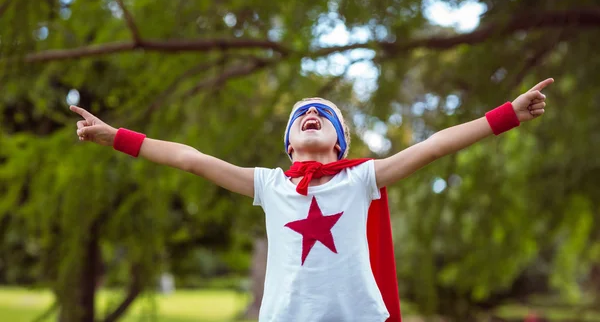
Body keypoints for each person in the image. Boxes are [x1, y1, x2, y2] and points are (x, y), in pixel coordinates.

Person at [70, 78, 554, 322]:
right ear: (289, 145)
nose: (313, 113)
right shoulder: (270, 185)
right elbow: (189, 158)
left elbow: (436, 144)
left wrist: (506, 115)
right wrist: (117, 138)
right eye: (303, 114)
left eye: (324, 113)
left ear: (339, 142)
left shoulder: (363, 178)